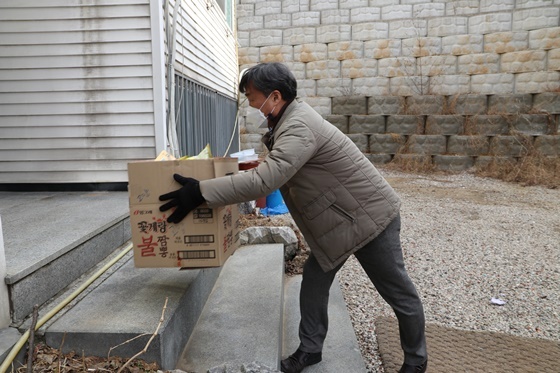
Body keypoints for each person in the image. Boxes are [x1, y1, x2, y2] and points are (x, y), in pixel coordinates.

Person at [159, 62, 428, 373]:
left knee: (398, 292)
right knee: (314, 280)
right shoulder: (289, 120)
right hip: (341, 220)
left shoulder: (299, 126)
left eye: (253, 97)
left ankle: (416, 361)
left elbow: (265, 180)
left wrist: (201, 192)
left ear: (275, 97)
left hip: (369, 219)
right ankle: (310, 350)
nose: (251, 104)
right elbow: (276, 166)